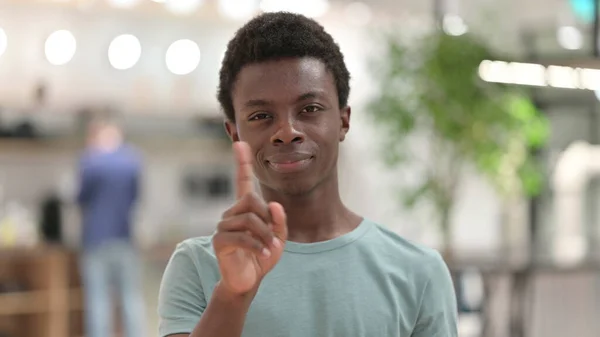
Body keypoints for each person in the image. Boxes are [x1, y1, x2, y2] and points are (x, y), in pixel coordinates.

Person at [158, 12, 458, 337]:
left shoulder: (418, 272)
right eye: (261, 115)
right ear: (235, 134)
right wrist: (233, 296)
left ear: (343, 121)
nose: (286, 132)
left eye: (310, 109)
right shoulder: (198, 266)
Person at [77, 119, 146, 337]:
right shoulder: (133, 160)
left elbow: (80, 198)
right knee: (131, 299)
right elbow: (136, 198)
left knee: (98, 301)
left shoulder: (90, 161)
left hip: (96, 239)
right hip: (125, 237)